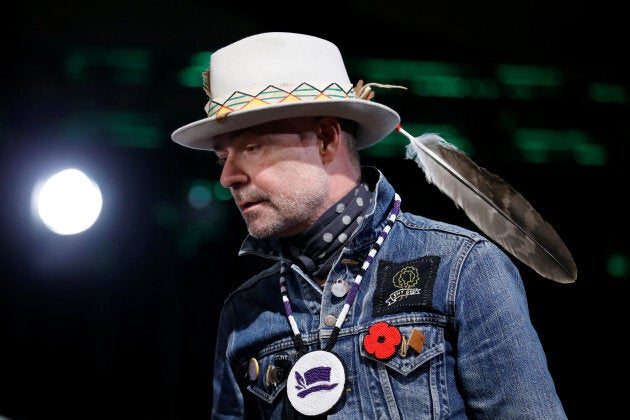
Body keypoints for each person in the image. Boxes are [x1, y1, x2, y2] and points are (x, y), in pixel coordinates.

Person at [171, 32, 567, 419]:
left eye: (252, 148)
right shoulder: (244, 313)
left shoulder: (462, 270)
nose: (228, 177)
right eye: (222, 157)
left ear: (326, 138)